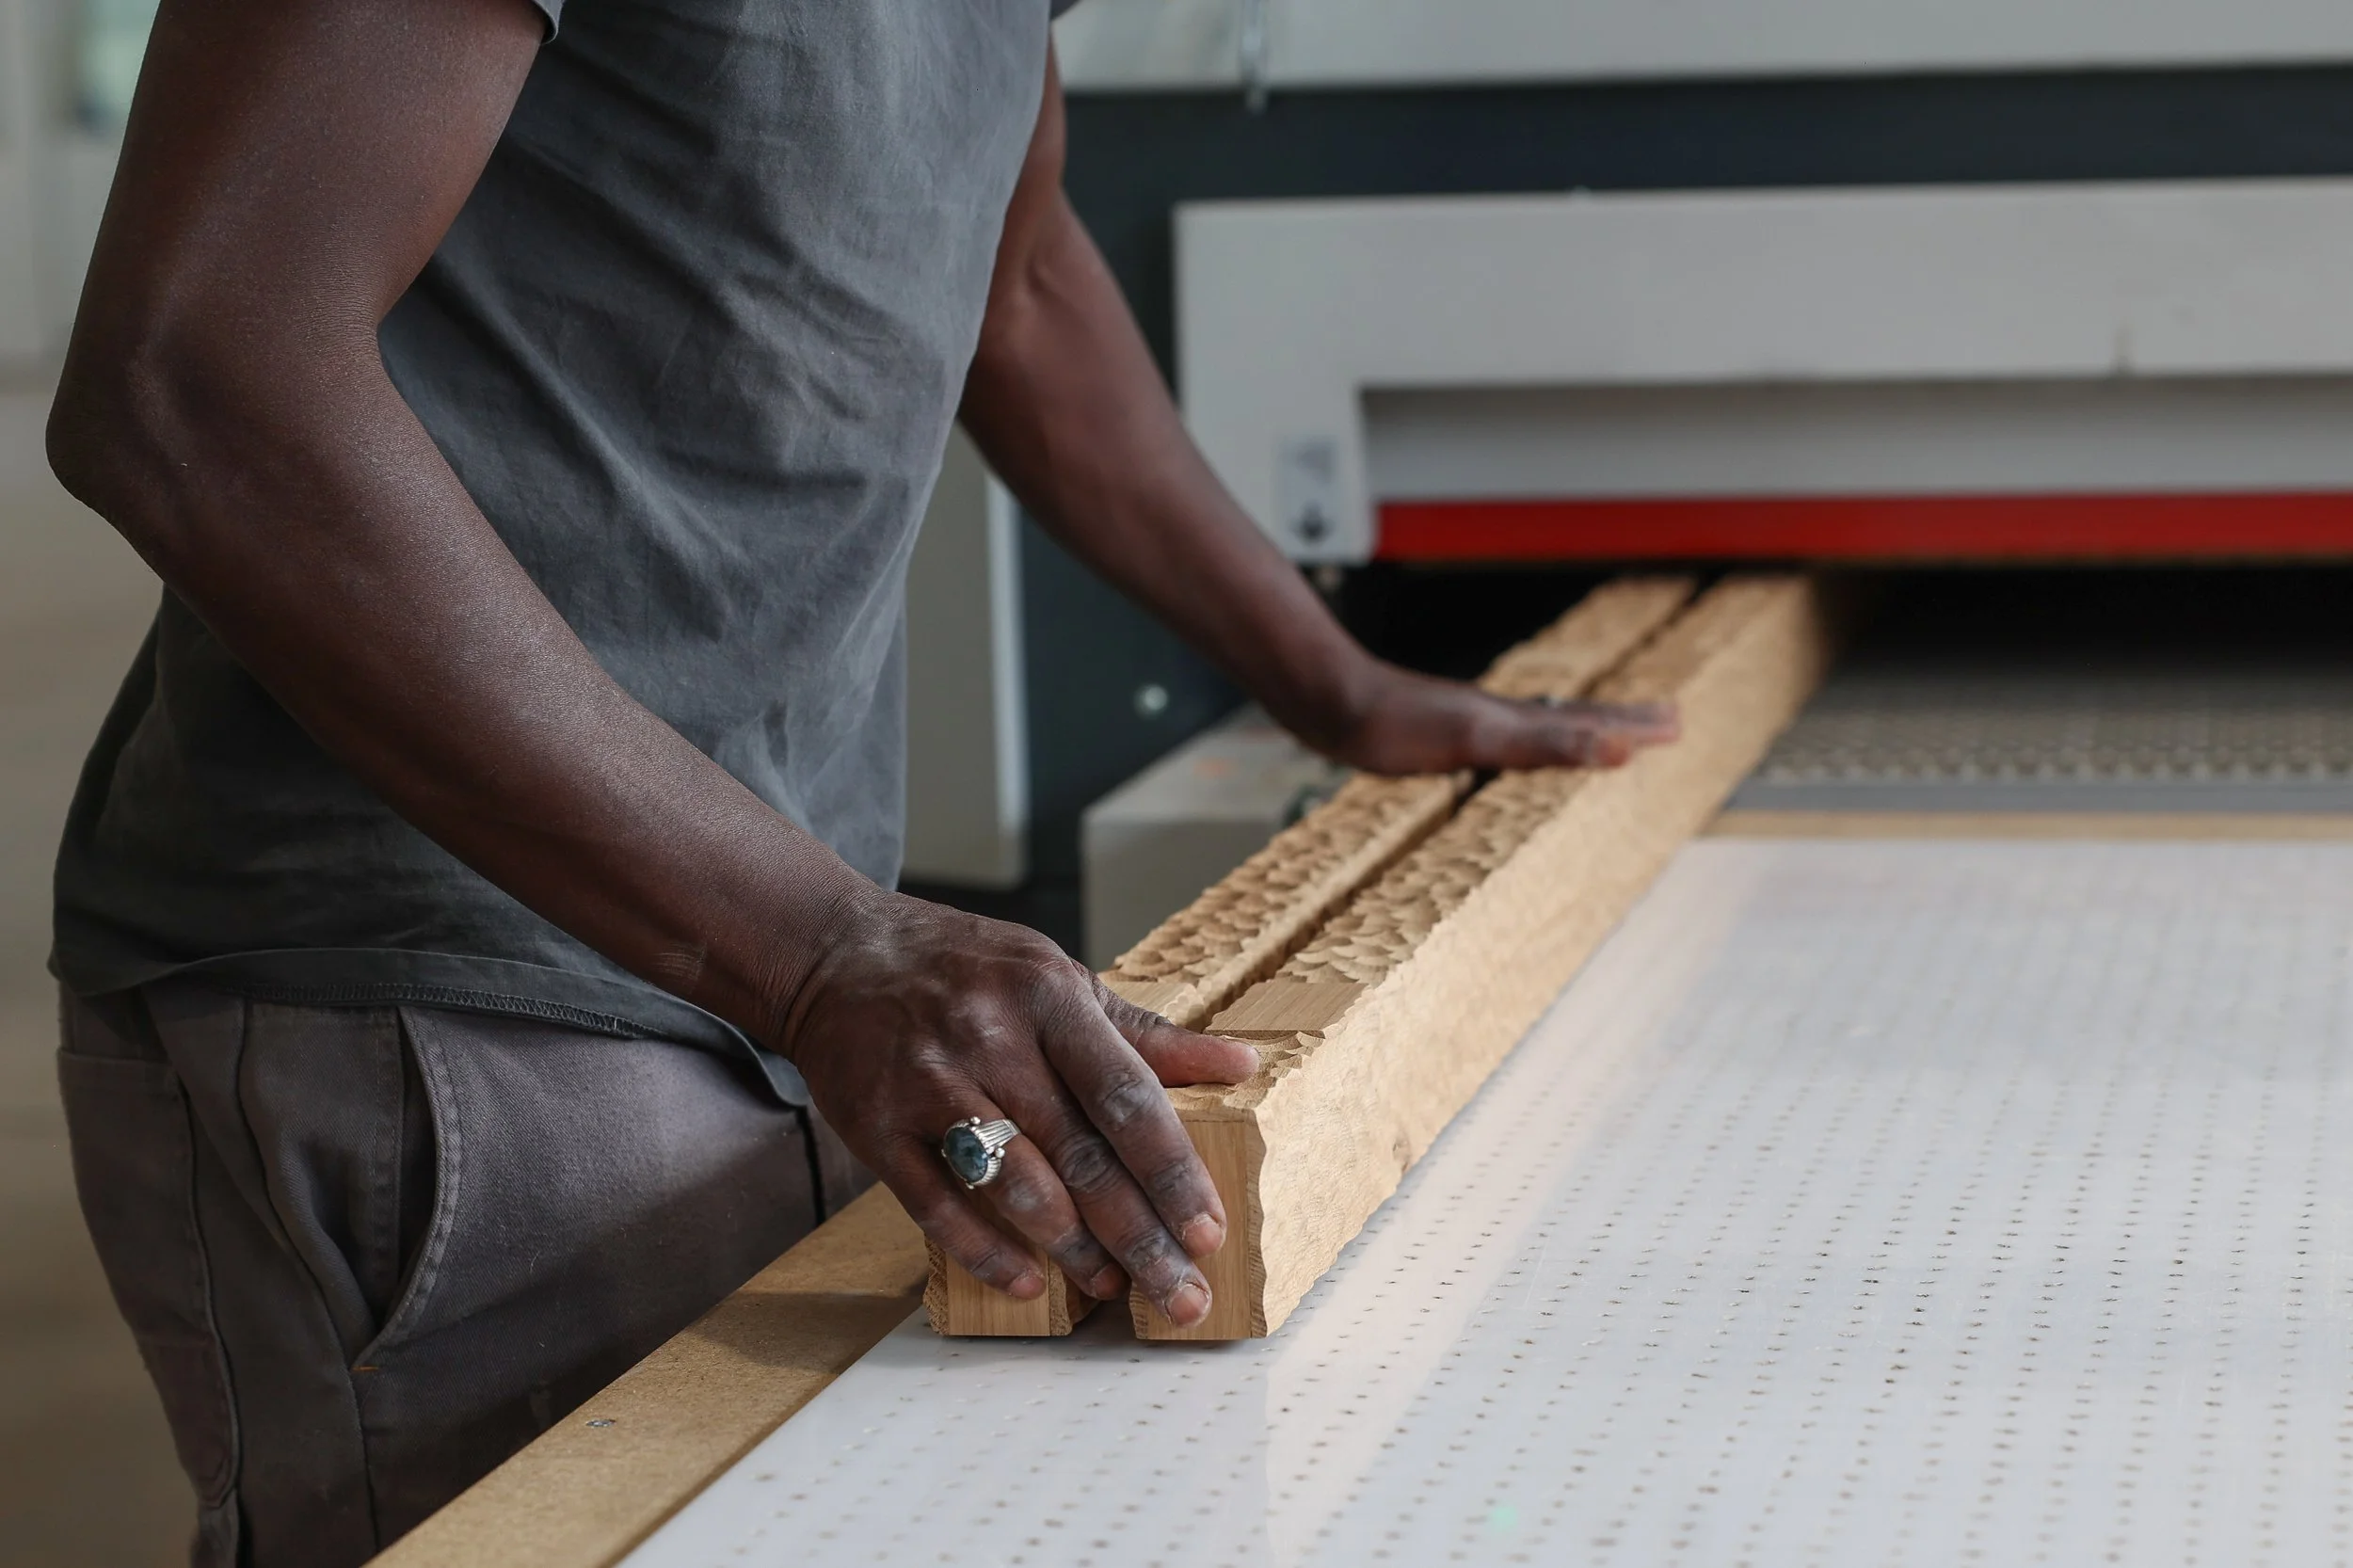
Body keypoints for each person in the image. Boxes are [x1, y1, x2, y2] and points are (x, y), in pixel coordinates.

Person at [42, 0, 1676, 1561]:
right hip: (448, 992)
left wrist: (1340, 684)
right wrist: (822, 950)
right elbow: (195, 381)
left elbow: (1017, 275)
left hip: (766, 960)